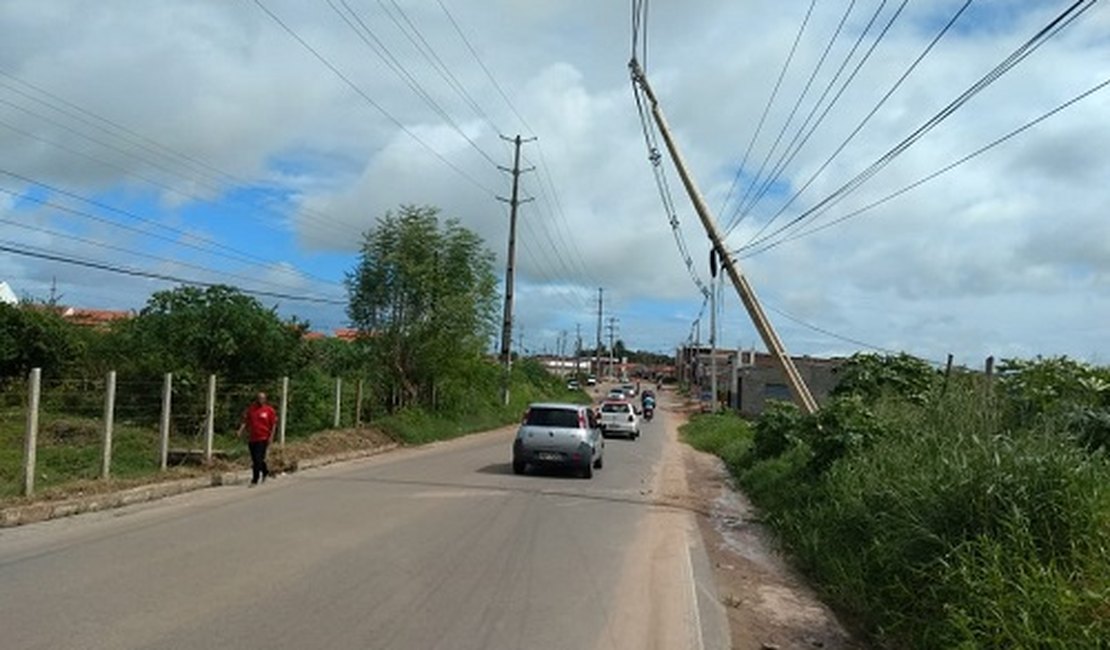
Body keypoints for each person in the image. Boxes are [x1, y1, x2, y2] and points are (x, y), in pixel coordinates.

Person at [238, 391, 277, 486]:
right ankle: (265, 471)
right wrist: (240, 430)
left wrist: (271, 437)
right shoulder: (251, 409)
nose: (260, 400)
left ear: (265, 399)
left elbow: (273, 425)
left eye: (262, 398)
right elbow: (246, 421)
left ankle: (255, 479)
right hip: (252, 438)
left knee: (258, 459)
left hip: (263, 438)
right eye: (259, 398)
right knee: (256, 459)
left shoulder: (269, 410)